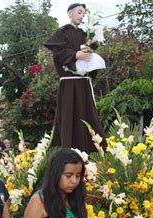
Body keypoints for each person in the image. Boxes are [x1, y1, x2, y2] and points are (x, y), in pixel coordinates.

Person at [44, 3, 107, 153]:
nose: (82, 16)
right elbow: (58, 53)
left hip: (83, 84)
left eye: (83, 14)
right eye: (79, 12)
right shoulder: (62, 32)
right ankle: (66, 152)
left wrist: (89, 48)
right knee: (68, 117)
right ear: (70, 14)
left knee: (88, 116)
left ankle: (91, 151)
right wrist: (75, 55)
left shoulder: (85, 33)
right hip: (69, 85)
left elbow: (89, 52)